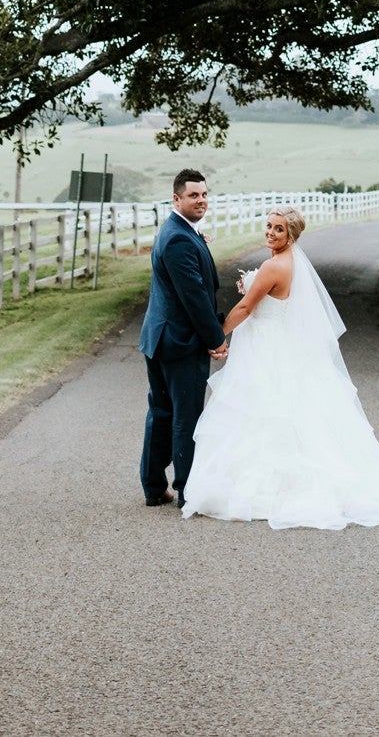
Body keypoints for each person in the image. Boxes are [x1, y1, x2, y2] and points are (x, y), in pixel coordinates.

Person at [181, 206, 379, 531]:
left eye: (279, 229)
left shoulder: (273, 266)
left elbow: (245, 306)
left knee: (264, 411)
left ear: (291, 235)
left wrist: (215, 338)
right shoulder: (292, 262)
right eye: (268, 225)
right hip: (280, 342)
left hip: (266, 347)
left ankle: (271, 487)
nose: (270, 232)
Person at [138, 168, 228, 507]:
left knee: (161, 413)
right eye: (193, 195)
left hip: (160, 337)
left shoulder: (178, 231)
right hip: (179, 342)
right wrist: (216, 339)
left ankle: (153, 486)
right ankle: (188, 491)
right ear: (177, 198)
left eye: (204, 194)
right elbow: (194, 297)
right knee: (184, 416)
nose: (201, 200)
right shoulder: (178, 238)